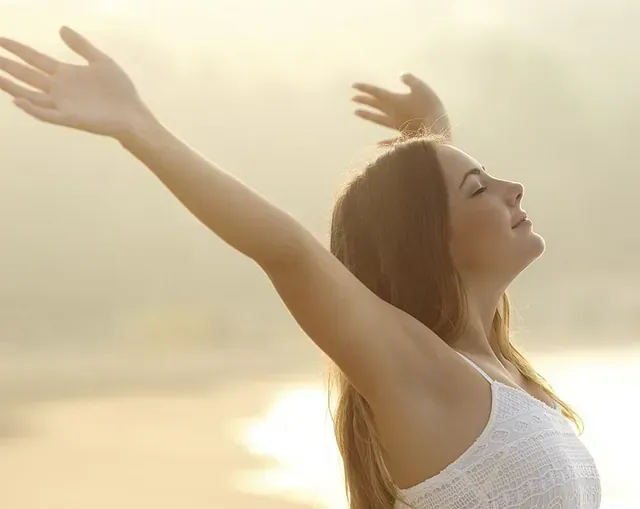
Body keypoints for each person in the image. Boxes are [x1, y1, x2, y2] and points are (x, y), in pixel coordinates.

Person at [0, 28, 601, 509]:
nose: (513, 189)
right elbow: (288, 251)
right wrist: (140, 128)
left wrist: (432, 134)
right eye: (482, 187)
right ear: (429, 240)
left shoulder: (484, 369)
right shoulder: (425, 377)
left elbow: (430, 228)